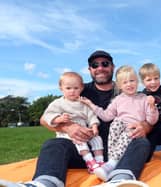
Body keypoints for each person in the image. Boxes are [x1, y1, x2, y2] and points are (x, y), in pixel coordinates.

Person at [0, 50, 152, 187]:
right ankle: (44, 183)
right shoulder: (77, 89)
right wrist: (67, 127)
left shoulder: (128, 88)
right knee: (54, 144)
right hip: (86, 150)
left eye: (105, 64)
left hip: (121, 152)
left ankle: (120, 180)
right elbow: (44, 119)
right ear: (89, 70)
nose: (100, 68)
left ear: (112, 67)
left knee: (142, 143)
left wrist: (145, 126)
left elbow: (150, 117)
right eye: (95, 65)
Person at [81, 65, 159, 181]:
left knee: (128, 130)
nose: (129, 84)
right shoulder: (118, 100)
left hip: (134, 131)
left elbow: (152, 120)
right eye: (125, 82)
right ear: (119, 85)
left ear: (137, 81)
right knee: (116, 122)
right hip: (120, 133)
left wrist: (152, 107)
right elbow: (106, 116)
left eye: (132, 81)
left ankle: (111, 164)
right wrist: (91, 105)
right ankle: (112, 161)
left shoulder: (144, 99)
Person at [42, 72, 104, 174]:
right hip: (67, 135)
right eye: (68, 88)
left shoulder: (83, 103)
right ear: (61, 88)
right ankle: (90, 162)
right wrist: (58, 119)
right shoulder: (58, 103)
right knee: (79, 141)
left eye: (76, 88)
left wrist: (94, 126)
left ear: (81, 88)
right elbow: (47, 115)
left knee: (97, 139)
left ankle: (100, 161)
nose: (72, 91)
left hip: (84, 130)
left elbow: (91, 116)